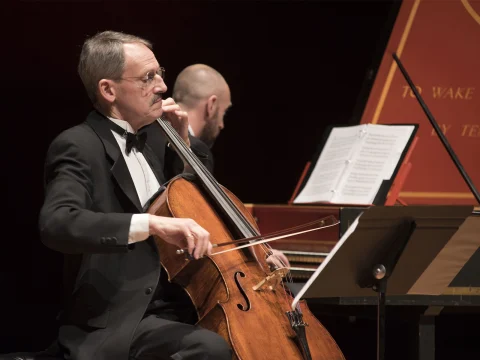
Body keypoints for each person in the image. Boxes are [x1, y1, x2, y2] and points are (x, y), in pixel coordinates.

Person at [38, 30, 231, 360]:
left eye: (160, 74)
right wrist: (151, 225)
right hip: (120, 319)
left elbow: (200, 200)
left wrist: (182, 144)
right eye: (148, 77)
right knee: (209, 349)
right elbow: (57, 223)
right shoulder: (79, 145)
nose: (161, 87)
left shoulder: (156, 140)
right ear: (108, 90)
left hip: (177, 309)